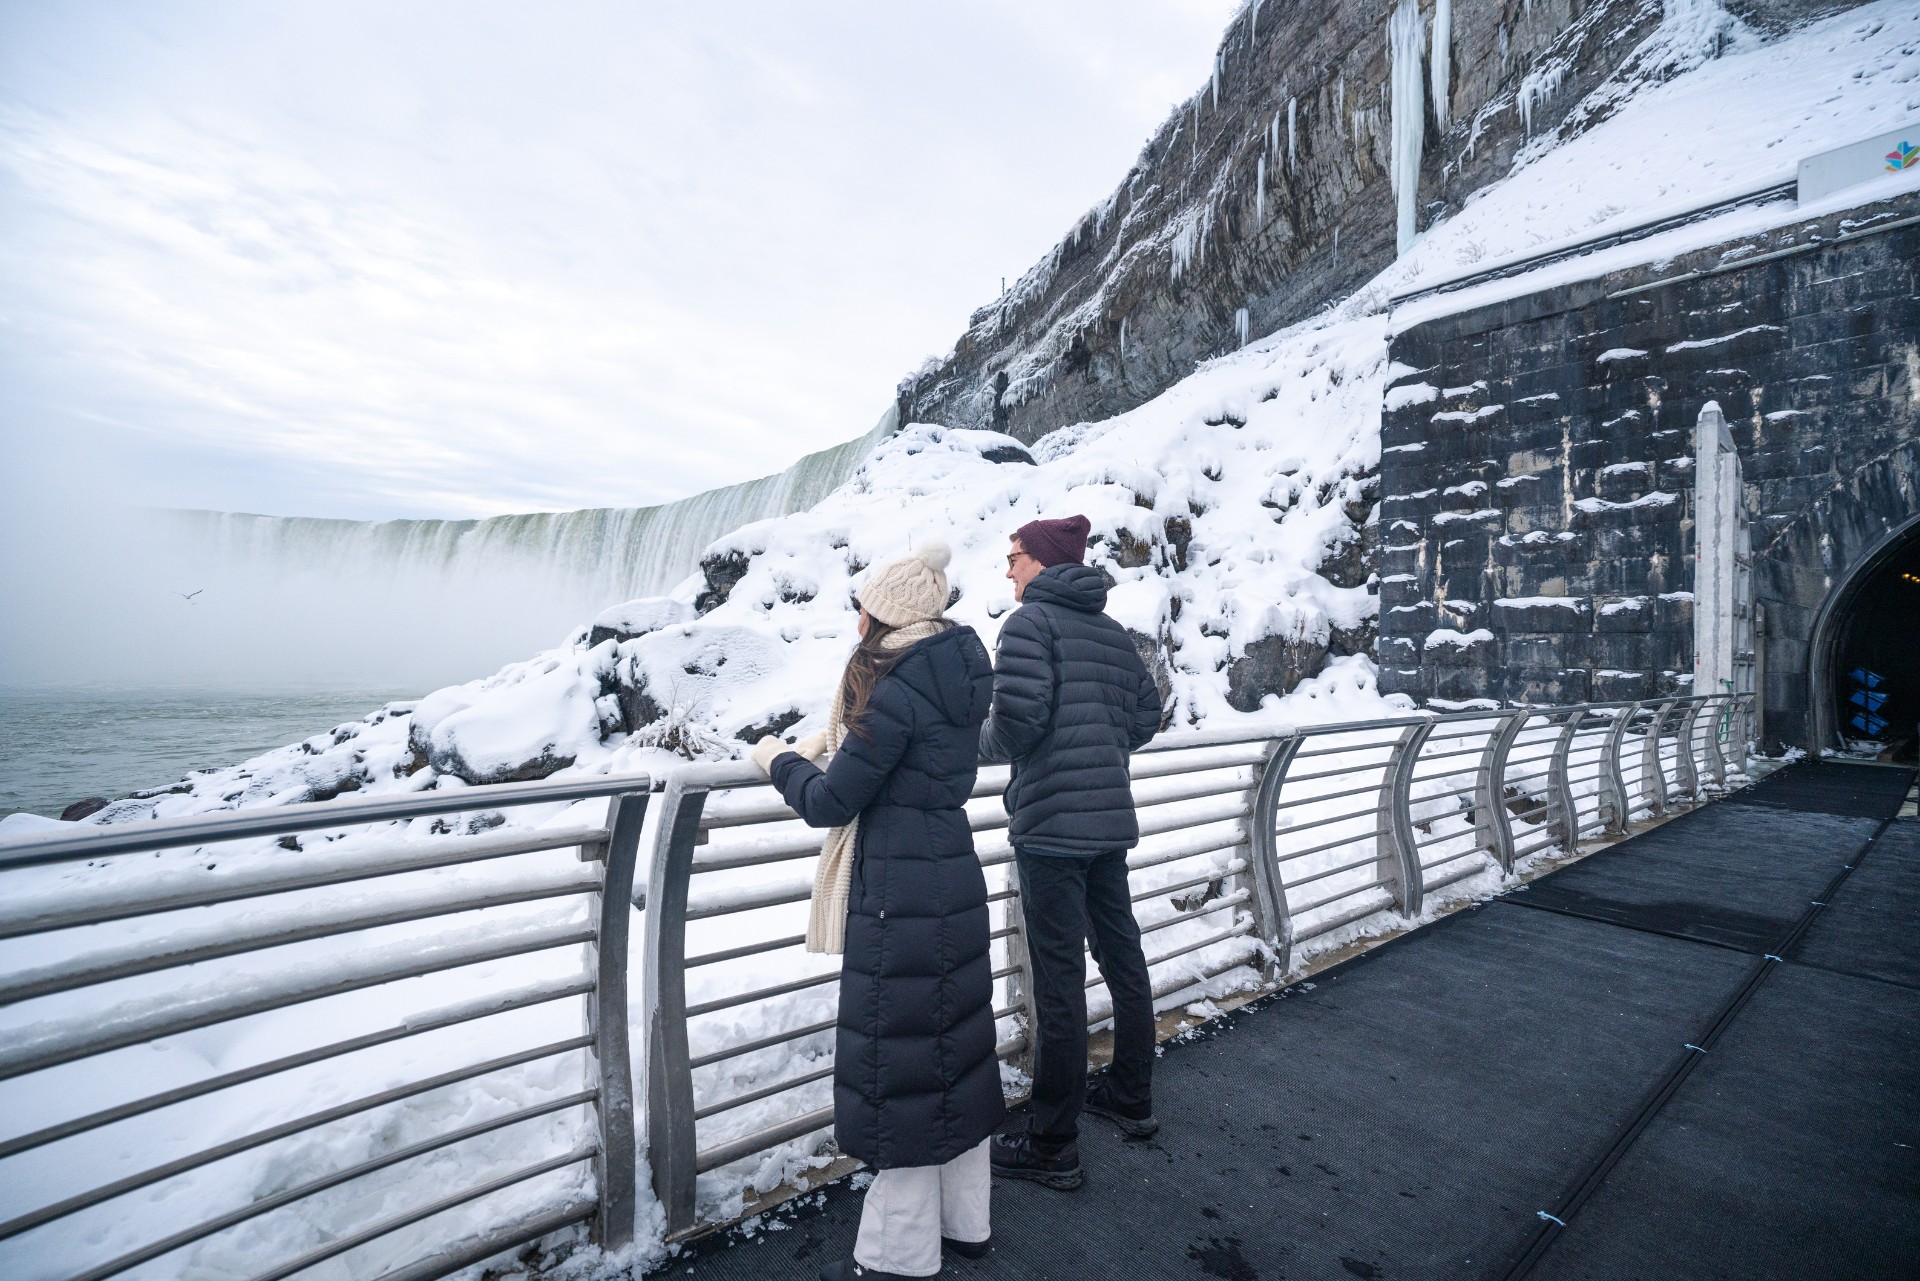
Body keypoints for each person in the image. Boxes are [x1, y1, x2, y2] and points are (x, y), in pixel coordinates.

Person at [749, 540, 1004, 1281]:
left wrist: (777, 759)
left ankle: (900, 1255)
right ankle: (967, 1224)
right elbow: (904, 759)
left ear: (886, 615)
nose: (857, 619)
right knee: (954, 1052)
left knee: (903, 1069)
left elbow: (832, 800)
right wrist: (839, 741)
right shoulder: (955, 669)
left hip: (899, 893)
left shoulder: (894, 685)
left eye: (864, 607)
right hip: (950, 872)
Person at [979, 513, 1163, 1192]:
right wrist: (1098, 746)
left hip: (1052, 829)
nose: (1008, 568)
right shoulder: (1111, 632)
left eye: (1015, 555)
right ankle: (1131, 1096)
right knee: (1122, 958)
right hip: (1107, 822)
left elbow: (1016, 725)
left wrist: (969, 742)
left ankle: (1053, 1142)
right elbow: (1146, 715)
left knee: (1058, 983)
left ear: (1044, 562)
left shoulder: (1029, 624)